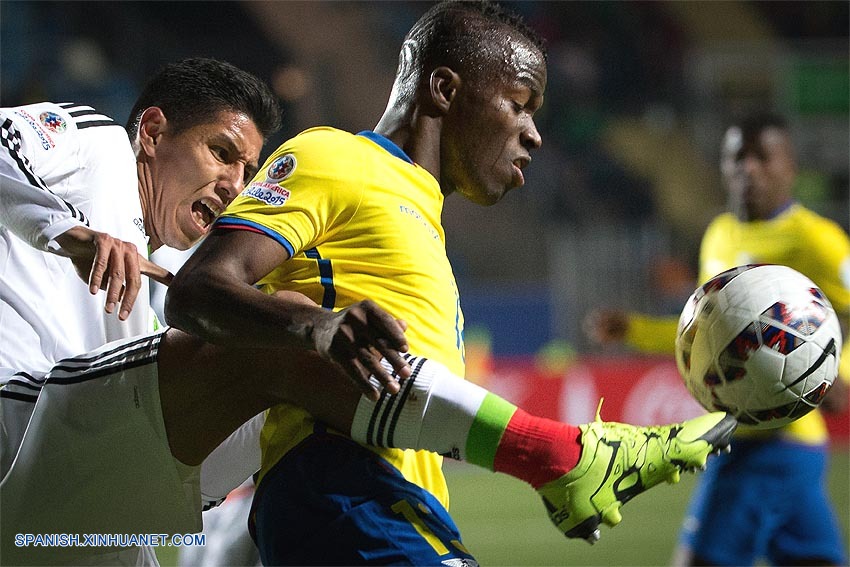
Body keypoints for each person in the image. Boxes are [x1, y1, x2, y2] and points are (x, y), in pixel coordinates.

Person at [165, 2, 735, 565]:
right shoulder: (335, 156)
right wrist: (318, 327)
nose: (534, 134)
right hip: (342, 491)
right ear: (443, 89)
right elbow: (198, 290)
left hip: (398, 506)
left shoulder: (423, 217)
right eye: (518, 105)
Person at [0, 57, 281, 564]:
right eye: (221, 153)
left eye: (247, 173)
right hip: (19, 413)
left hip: (59, 492)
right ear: (152, 132)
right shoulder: (100, 147)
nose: (236, 187)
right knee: (290, 330)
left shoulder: (149, 289)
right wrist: (65, 233)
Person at [585, 112, 849, 566]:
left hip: (769, 442)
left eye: (762, 157)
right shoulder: (719, 234)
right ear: (723, 167)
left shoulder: (816, 241)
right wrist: (636, 330)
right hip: (762, 438)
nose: (749, 168)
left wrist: (837, 373)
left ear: (790, 166)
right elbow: (707, 335)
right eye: (737, 158)